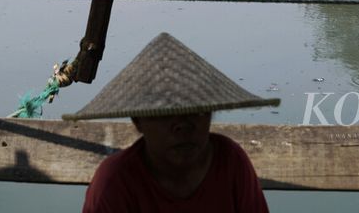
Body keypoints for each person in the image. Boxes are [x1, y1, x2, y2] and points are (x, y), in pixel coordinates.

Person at [63, 32, 279, 212]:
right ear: (138, 120)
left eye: (197, 110)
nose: (183, 125)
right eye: (165, 114)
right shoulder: (114, 182)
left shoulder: (231, 162)